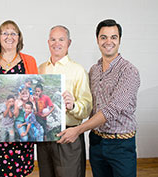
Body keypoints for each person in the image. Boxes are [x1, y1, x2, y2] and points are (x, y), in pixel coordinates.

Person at [57, 19, 141, 177]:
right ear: (97, 40)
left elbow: (112, 110)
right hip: (96, 141)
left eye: (113, 37)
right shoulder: (94, 70)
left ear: (119, 40)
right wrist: (71, 103)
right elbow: (89, 104)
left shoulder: (129, 71)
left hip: (120, 144)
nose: (108, 41)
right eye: (104, 37)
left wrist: (78, 130)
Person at [0, 20, 38, 177]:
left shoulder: (29, 61)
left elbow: (32, 97)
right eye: (5, 33)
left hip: (19, 128)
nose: (9, 36)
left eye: (13, 33)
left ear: (19, 38)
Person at [38, 25, 92, 177]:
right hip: (45, 137)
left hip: (68, 135)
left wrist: (74, 105)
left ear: (69, 42)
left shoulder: (78, 70)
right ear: (48, 42)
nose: (57, 43)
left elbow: (87, 106)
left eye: (61, 39)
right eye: (53, 39)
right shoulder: (40, 69)